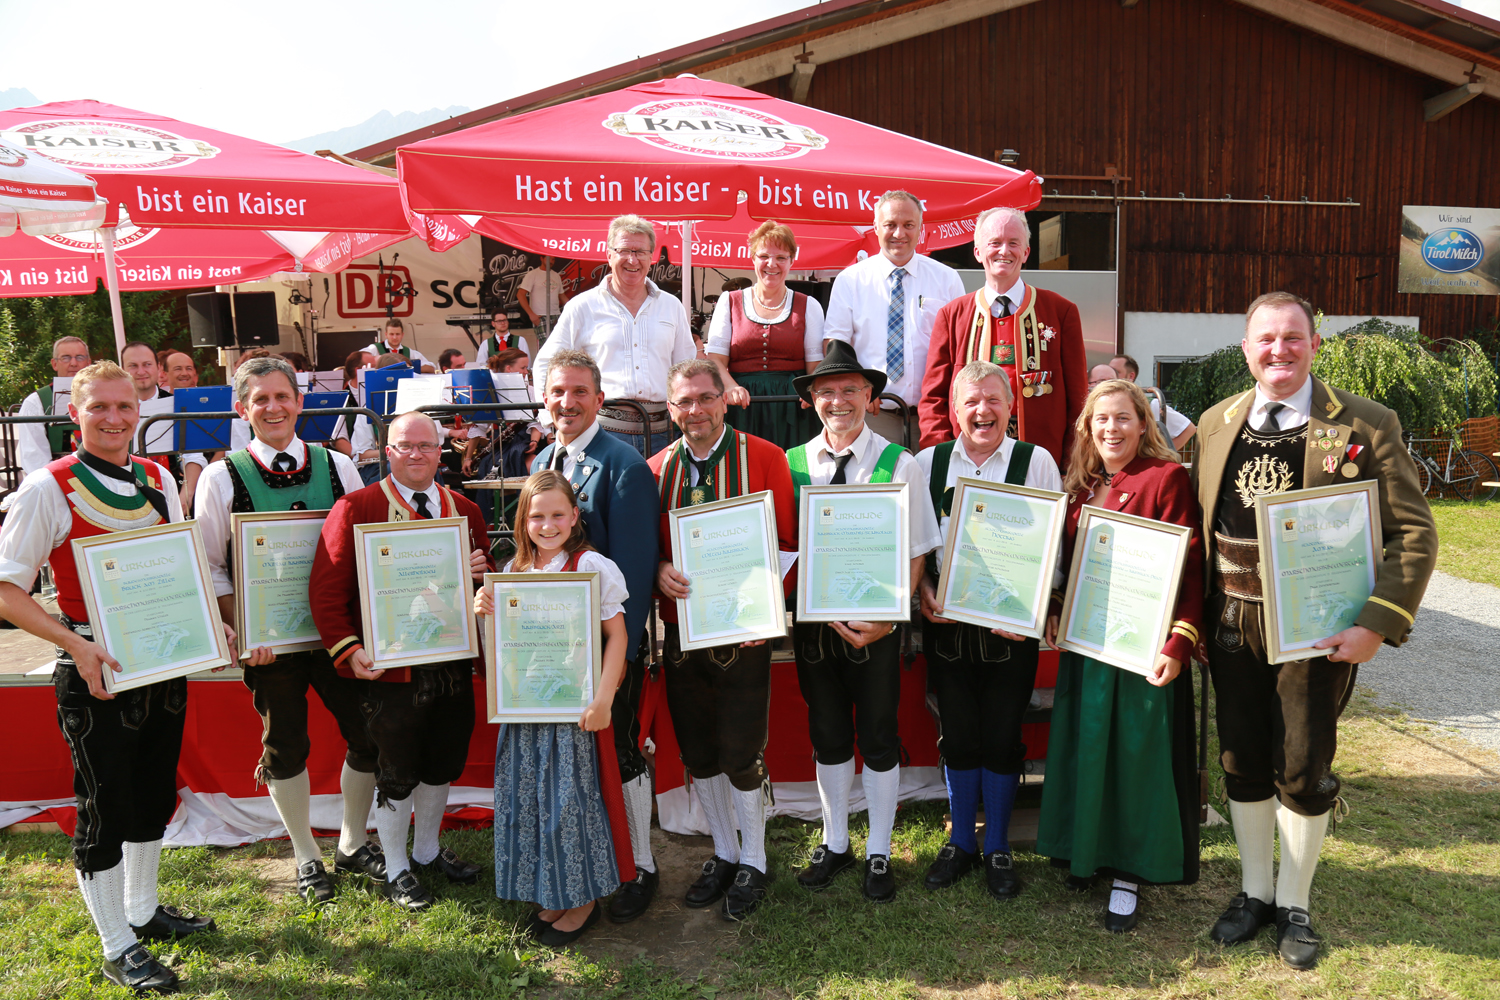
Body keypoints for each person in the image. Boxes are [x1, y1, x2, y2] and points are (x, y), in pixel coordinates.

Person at [1195, 292, 1437, 969]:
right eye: (1265, 339)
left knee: (1302, 768)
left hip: (1317, 627)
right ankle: (1254, 893)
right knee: (1240, 759)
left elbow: (1413, 532)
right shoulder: (1217, 423)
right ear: (1246, 349)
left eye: (1292, 338)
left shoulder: (1365, 421)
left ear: (1314, 346)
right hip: (1231, 622)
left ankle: (1296, 904)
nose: (1279, 350)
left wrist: (1376, 624)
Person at [0, 362, 225, 994]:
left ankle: (143, 910)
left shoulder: (155, 477)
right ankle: (114, 942)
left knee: (154, 793)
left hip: (161, 662)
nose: (115, 419)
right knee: (104, 807)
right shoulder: (47, 487)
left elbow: (177, 569)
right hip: (93, 670)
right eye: (99, 407)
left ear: (139, 409)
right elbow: (7, 592)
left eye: (125, 407)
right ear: (75, 413)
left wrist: (211, 623)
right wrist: (77, 645)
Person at [194, 356, 383, 905]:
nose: (273, 407)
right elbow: (211, 566)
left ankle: (350, 841)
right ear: (241, 409)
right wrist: (243, 628)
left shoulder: (338, 465)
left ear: (300, 402)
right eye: (260, 400)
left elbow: (359, 551)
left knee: (367, 733)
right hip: (269, 642)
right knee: (285, 744)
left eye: (282, 396)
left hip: (335, 633)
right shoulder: (219, 475)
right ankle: (305, 853)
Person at [1034, 378, 1204, 933]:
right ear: (1087, 426)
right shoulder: (1081, 487)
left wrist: (1180, 642)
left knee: (1134, 759)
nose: (1112, 428)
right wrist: (1057, 603)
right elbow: (1070, 563)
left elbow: (1191, 568)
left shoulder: (1167, 477)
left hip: (1140, 646)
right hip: (1088, 644)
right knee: (1088, 752)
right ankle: (1087, 852)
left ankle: (1129, 871)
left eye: (1123, 419)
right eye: (1101, 419)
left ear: (1143, 424)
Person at [310, 410, 493, 911]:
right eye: (404, 446)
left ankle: (429, 851)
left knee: (442, 763)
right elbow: (326, 593)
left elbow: (485, 587)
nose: (415, 454)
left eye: (426, 446)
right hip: (394, 670)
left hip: (453, 659)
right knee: (397, 769)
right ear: (386, 452)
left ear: (441, 452)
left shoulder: (465, 509)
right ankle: (395, 867)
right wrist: (349, 650)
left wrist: (482, 571)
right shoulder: (356, 506)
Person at [785, 341, 942, 903]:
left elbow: (919, 547)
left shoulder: (900, 462)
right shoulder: (792, 464)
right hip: (814, 627)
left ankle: (878, 848)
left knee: (878, 734)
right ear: (812, 401)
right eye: (826, 391)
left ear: (871, 397)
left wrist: (888, 617)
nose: (838, 400)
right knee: (827, 732)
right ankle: (835, 842)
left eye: (849, 389)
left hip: (878, 625)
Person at [649, 359, 796, 920]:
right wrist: (660, 567)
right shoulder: (655, 468)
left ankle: (755, 858)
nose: (696, 411)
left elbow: (787, 542)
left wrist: (760, 607)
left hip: (745, 635)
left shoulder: (765, 457)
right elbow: (648, 551)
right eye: (684, 402)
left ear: (725, 399)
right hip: (682, 631)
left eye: (706, 398)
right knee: (698, 752)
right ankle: (725, 851)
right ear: (671, 408)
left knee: (740, 751)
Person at [914, 362, 1062, 900]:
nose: (983, 411)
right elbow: (914, 547)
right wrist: (921, 593)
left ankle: (996, 842)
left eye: (993, 400)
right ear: (955, 410)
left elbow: (1053, 549)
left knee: (1003, 735)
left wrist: (1035, 606)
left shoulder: (1035, 461)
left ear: (1011, 406)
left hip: (1009, 633)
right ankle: (961, 841)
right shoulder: (926, 464)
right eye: (971, 401)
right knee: (957, 733)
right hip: (948, 629)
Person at [474, 470, 634, 946]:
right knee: (532, 803)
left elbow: (618, 638)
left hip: (574, 713)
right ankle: (556, 892)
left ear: (575, 517)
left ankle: (583, 901)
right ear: (523, 520)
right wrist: (487, 605)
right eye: (537, 515)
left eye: (557, 515)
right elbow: (504, 647)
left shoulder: (594, 567)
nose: (547, 525)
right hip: (525, 712)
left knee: (569, 805)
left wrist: (604, 699)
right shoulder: (514, 574)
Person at [530, 349, 662, 921]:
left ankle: (644, 867)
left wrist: (622, 660)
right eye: (558, 392)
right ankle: (597, 858)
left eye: (580, 392)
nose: (568, 402)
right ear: (545, 399)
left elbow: (633, 573)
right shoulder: (545, 457)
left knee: (625, 751)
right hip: (551, 651)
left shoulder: (624, 464)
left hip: (605, 650)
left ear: (599, 400)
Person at [918, 207, 1088, 468]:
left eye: (1013, 243)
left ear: (1026, 252)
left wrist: (1070, 464)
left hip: (1039, 462)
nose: (1004, 251)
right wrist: (940, 458)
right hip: (966, 462)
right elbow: (934, 399)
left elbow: (1078, 401)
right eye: (995, 242)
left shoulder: (1061, 311)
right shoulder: (951, 316)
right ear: (977, 252)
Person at [534, 215, 695, 457]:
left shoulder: (671, 306)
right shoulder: (582, 307)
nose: (633, 259)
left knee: (663, 496)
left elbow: (687, 369)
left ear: (651, 257)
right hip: (603, 435)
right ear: (609, 255)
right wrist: (551, 419)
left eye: (641, 251)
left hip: (664, 434)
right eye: (624, 250)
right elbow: (546, 363)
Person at [823, 190, 964, 446]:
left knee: (931, 485)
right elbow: (835, 344)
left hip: (933, 418)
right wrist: (861, 386)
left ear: (920, 228)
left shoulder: (946, 279)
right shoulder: (851, 280)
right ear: (876, 227)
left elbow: (960, 347)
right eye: (890, 225)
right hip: (874, 417)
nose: (899, 234)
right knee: (877, 486)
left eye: (909, 225)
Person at [705, 222, 825, 450]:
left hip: (791, 407)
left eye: (781, 257)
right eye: (764, 256)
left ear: (792, 260)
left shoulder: (809, 306)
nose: (772, 264)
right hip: (742, 406)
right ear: (753, 259)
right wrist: (730, 387)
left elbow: (815, 365)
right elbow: (716, 361)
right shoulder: (729, 301)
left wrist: (811, 389)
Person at [14, 336, 90, 478]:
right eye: (66, 358)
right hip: (56, 482)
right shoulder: (35, 402)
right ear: (54, 364)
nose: (73, 363)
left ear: (89, 363)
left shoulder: (107, 397)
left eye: (79, 357)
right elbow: (34, 459)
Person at [1110, 354, 1197, 450]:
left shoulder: (1151, 405)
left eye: (1116, 372)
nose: (1111, 376)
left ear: (1130, 376)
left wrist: (1162, 456)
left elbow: (1188, 429)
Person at [517, 255, 570, 337]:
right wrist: (531, 314)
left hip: (556, 315)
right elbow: (520, 294)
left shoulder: (556, 275)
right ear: (541, 258)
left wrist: (575, 307)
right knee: (545, 347)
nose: (551, 261)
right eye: (549, 259)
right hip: (540, 316)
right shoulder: (532, 274)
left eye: (553, 259)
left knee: (559, 345)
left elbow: (562, 296)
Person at [362, 319, 435, 373]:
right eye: (391, 334)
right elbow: (358, 360)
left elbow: (431, 368)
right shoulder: (375, 348)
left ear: (402, 335)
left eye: (397, 334)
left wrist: (409, 368)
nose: (394, 337)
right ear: (386, 334)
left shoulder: (408, 351)